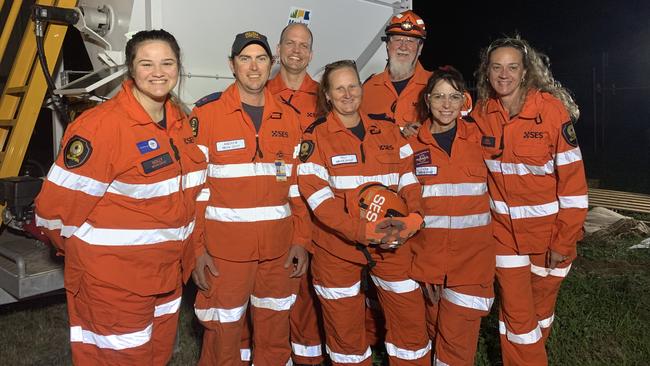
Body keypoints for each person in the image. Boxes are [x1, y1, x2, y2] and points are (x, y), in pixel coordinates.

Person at [34, 29, 206, 365]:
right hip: (114, 284)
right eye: (147, 64)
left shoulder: (180, 123)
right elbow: (53, 213)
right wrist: (96, 260)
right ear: (130, 69)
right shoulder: (101, 127)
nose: (158, 72)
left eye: (167, 62)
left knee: (156, 358)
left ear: (178, 67)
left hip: (167, 277)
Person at [297, 60, 431, 365]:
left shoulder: (387, 130)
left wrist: (413, 218)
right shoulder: (315, 137)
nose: (348, 94)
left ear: (361, 88)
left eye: (353, 86)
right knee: (346, 338)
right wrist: (363, 232)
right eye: (339, 88)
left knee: (410, 325)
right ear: (327, 96)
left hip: (392, 243)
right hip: (337, 250)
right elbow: (320, 202)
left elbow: (409, 177)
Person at [190, 30, 310, 366]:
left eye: (260, 58)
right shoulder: (207, 115)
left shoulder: (289, 117)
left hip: (278, 252)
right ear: (232, 65)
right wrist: (197, 250)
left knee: (274, 333)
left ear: (271, 63)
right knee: (223, 334)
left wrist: (301, 239)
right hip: (225, 254)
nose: (253, 67)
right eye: (245, 58)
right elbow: (196, 191)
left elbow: (297, 186)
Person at [472, 36, 588, 365]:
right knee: (518, 317)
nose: (503, 74)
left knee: (539, 314)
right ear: (487, 71)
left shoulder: (550, 111)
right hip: (504, 237)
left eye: (512, 67)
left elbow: (574, 186)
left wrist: (564, 241)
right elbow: (444, 120)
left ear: (525, 71)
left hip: (550, 237)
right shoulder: (481, 111)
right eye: (496, 67)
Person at [407, 66, 495, 365]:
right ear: (427, 100)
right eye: (439, 97)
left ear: (463, 101)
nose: (446, 104)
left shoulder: (482, 140)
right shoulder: (410, 147)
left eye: (454, 97)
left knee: (456, 346)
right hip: (429, 265)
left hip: (472, 266)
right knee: (434, 335)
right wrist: (427, 269)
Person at [267, 22, 324, 366]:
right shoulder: (259, 91)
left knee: (307, 298)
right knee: (271, 295)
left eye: (304, 46)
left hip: (316, 210)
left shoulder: (323, 97)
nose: (296, 51)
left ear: (311, 54)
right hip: (273, 209)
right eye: (290, 43)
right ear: (279, 48)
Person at [361, 10, 431, 137]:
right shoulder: (367, 89)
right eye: (398, 39)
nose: (403, 47)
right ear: (387, 44)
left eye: (410, 41)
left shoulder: (435, 85)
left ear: (420, 48)